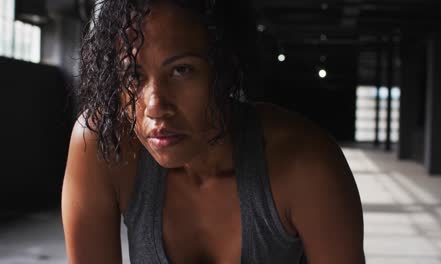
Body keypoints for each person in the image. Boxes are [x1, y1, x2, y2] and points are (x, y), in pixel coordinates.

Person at [61, 0, 365, 263]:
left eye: (182, 70)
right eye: (133, 75)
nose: (155, 106)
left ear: (227, 67)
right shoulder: (106, 144)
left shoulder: (305, 163)